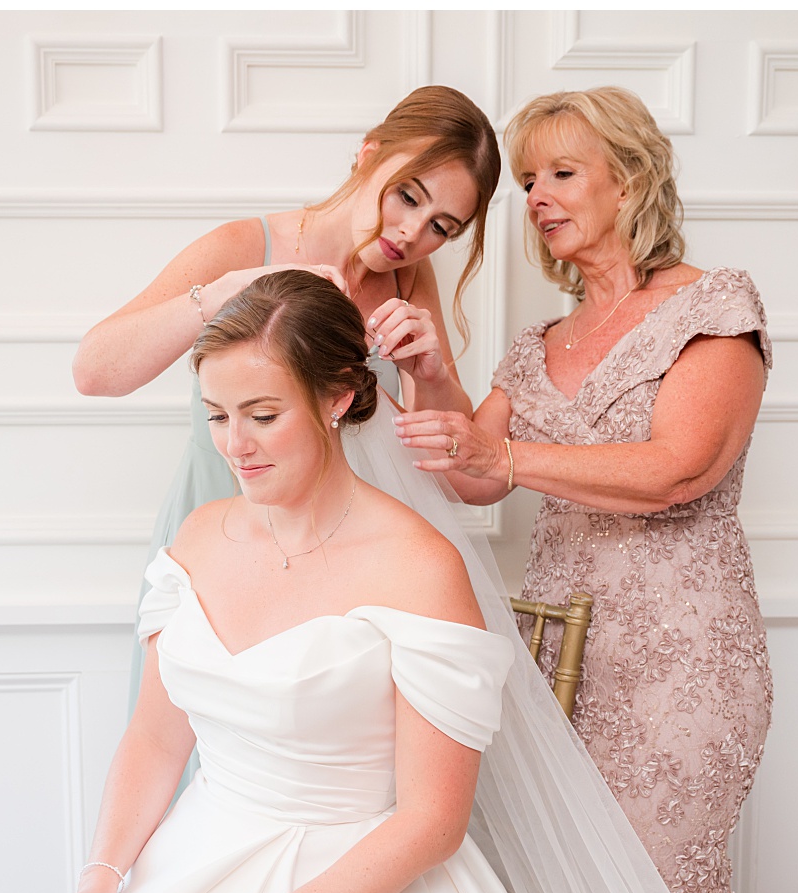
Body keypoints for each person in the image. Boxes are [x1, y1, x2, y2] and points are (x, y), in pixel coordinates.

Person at [0, 271, 749, 893]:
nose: (234, 444)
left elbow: (434, 821)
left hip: (354, 884)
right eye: (217, 415)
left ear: (339, 398)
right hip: (194, 856)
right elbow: (153, 738)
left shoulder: (418, 567)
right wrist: (102, 875)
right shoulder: (200, 536)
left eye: (263, 414)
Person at [391, 86, 773, 893]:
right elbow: (467, 475)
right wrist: (431, 369)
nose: (537, 196)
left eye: (563, 172)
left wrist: (511, 459)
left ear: (632, 182)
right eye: (528, 180)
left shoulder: (712, 308)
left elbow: (679, 469)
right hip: (555, 658)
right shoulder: (536, 343)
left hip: (684, 661)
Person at [74, 86, 502, 796]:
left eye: (441, 226)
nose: (413, 232)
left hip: (340, 579)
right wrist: (222, 295)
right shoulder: (246, 245)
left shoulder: (408, 280)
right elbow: (95, 369)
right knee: (197, 773)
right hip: (223, 550)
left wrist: (431, 375)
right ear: (370, 154)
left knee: (322, 784)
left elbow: (466, 478)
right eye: (407, 196)